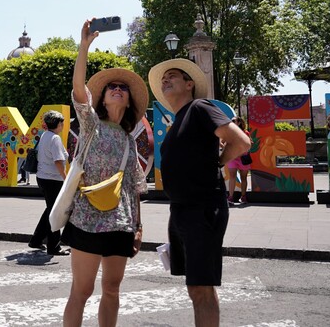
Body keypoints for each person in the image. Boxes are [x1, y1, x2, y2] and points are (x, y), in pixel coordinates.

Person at [148, 58, 251, 327]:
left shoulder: (199, 107)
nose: (165, 80)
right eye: (163, 79)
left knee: (202, 288)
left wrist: (217, 162)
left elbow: (241, 141)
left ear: (189, 84)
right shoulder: (180, 119)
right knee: (195, 288)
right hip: (182, 209)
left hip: (201, 208)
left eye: (172, 76)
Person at [62, 19, 149, 327]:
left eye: (122, 88)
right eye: (112, 87)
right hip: (87, 219)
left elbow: (133, 188)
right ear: (101, 97)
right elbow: (78, 88)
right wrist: (84, 47)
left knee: (112, 289)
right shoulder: (91, 125)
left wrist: (138, 226)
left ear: (128, 100)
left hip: (121, 223)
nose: (116, 89)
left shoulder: (129, 139)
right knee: (81, 291)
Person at [28, 110, 70, 256]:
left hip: (43, 178)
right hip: (53, 180)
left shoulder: (45, 135)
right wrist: (66, 179)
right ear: (58, 124)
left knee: (50, 210)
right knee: (55, 213)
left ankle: (36, 240)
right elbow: (58, 161)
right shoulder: (55, 138)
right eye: (62, 122)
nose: (63, 125)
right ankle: (54, 247)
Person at [226, 117, 251, 204]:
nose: (231, 122)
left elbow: (249, 144)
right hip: (233, 158)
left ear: (239, 122)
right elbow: (222, 142)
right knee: (232, 177)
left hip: (243, 158)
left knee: (243, 178)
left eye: (233, 121)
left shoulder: (245, 133)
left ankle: (243, 197)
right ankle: (230, 197)